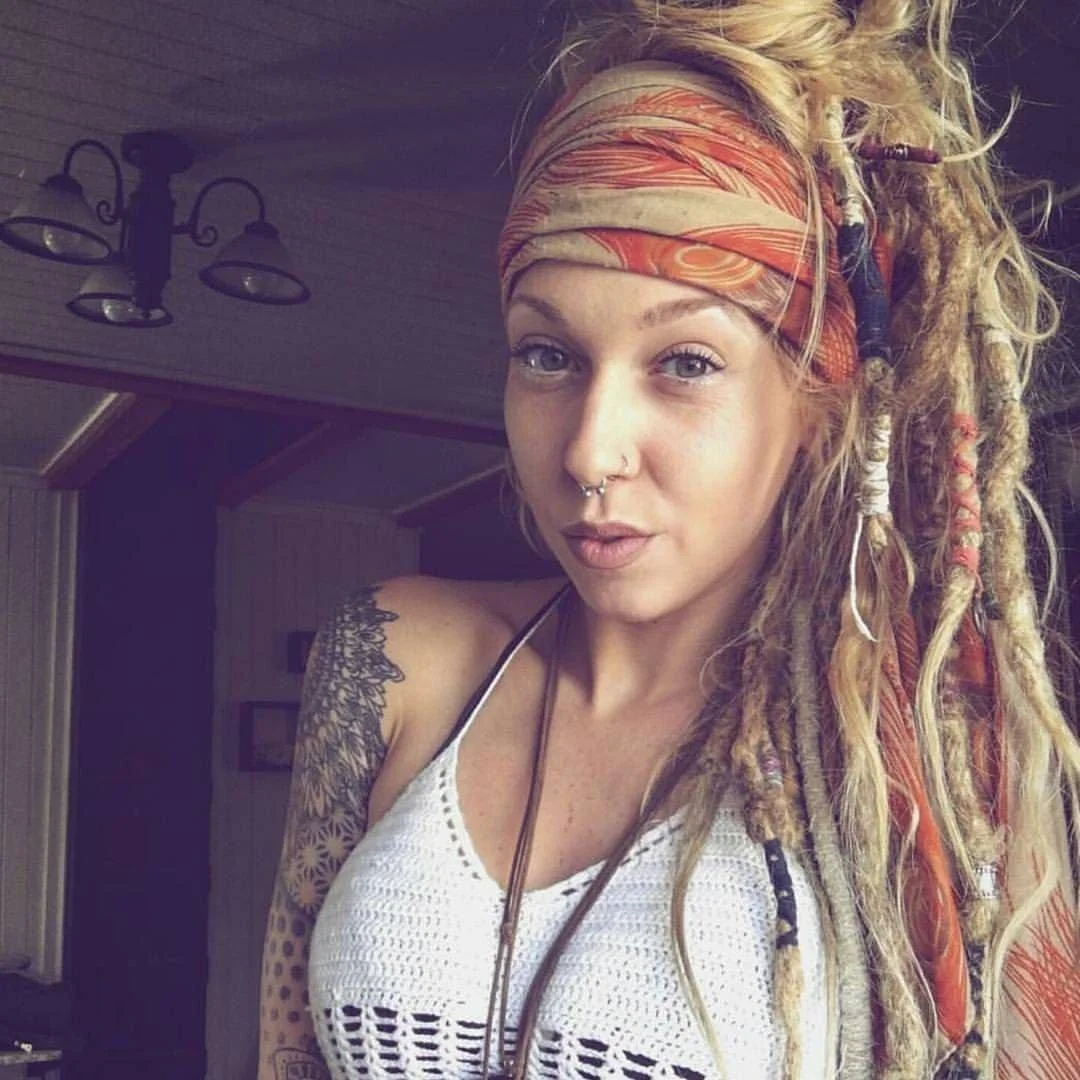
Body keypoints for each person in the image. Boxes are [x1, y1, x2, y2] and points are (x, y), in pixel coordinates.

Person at [257, 2, 1080, 1077]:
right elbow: (281, 1055)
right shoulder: (396, 659)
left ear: (818, 401)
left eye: (685, 363)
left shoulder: (915, 767)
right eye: (547, 355)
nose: (589, 451)